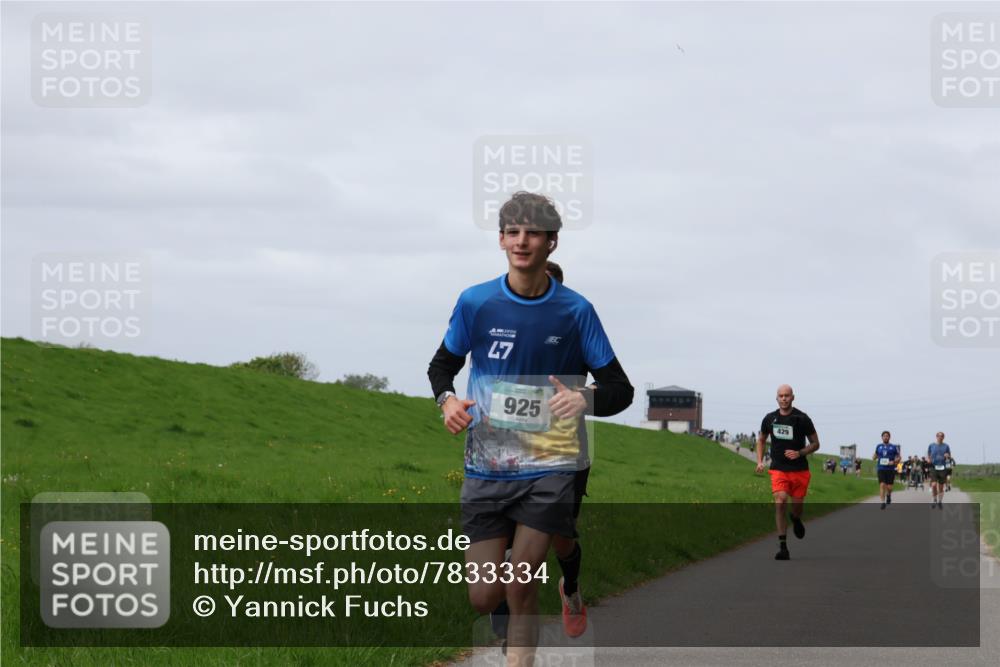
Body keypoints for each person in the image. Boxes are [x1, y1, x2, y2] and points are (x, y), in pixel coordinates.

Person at [427, 192, 634, 661]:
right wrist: (447, 402)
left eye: (533, 232)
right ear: (501, 239)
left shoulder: (576, 311)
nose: (522, 241)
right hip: (487, 467)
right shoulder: (475, 301)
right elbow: (441, 366)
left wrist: (582, 398)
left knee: (521, 585)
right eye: (513, 231)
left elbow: (620, 389)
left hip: (550, 466)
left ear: (552, 242)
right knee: (484, 598)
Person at [756, 385, 820, 560]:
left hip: (799, 470)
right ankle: (783, 546)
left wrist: (799, 453)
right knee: (781, 500)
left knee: (797, 507)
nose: (784, 399)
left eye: (787, 396)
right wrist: (760, 461)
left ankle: (796, 518)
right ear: (776, 398)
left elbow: (815, 443)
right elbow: (761, 440)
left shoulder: (802, 418)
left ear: (793, 397)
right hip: (778, 468)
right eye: (780, 396)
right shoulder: (769, 418)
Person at [873, 430, 901, 510]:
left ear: (889, 437)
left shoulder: (893, 447)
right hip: (881, 468)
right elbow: (875, 455)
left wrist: (894, 461)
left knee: (889, 487)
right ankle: (882, 502)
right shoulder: (878, 446)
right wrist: (874, 457)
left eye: (887, 436)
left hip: (890, 469)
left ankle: (888, 495)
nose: (885, 437)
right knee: (882, 485)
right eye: (884, 436)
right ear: (882, 437)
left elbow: (899, 457)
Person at [927, 432, 952, 509]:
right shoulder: (931, 445)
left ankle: (940, 501)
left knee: (941, 487)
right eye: (939, 436)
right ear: (936, 437)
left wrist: (947, 456)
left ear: (943, 437)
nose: (940, 437)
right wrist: (929, 459)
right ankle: (934, 500)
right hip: (934, 467)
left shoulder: (946, 446)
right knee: (934, 485)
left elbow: (949, 456)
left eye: (942, 436)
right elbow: (928, 455)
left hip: (943, 468)